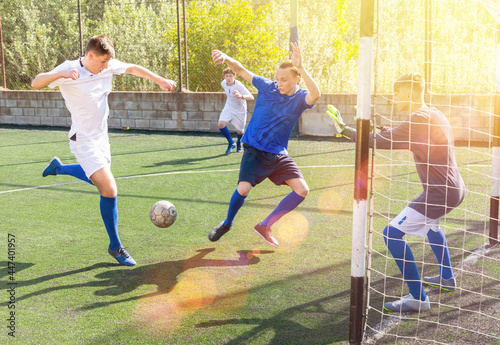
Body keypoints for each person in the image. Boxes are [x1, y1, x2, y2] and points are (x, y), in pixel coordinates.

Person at [31, 34, 176, 266]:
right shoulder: (69, 69)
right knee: (109, 189)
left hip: (101, 139)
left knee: (100, 182)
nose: (106, 67)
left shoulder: (106, 66)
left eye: (108, 63)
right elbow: (36, 82)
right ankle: (115, 246)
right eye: (102, 62)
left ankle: (59, 168)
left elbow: (133, 69)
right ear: (90, 56)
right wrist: (61, 74)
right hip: (83, 141)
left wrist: (159, 80)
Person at [328, 72, 465, 312]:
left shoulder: (417, 120)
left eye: (397, 93)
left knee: (391, 234)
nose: (394, 98)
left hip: (439, 193)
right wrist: (388, 129)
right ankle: (447, 278)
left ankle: (418, 298)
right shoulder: (433, 113)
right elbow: (409, 136)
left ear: (409, 93)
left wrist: (344, 130)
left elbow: (377, 141)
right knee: (433, 227)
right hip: (455, 189)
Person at [208, 42, 321, 248]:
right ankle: (227, 223)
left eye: (284, 80)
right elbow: (241, 69)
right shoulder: (267, 87)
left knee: (302, 190)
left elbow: (316, 94)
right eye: (277, 78)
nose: (279, 82)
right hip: (254, 150)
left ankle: (265, 225)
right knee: (243, 189)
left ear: (296, 79)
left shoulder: (299, 98)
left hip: (277, 154)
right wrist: (225, 57)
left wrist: (302, 68)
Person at [218, 67, 254, 154]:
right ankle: (231, 143)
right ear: (224, 77)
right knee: (221, 124)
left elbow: (251, 97)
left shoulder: (239, 85)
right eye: (227, 76)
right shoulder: (223, 83)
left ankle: (238, 143)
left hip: (240, 110)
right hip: (229, 107)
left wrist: (241, 96)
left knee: (240, 131)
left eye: (230, 76)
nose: (228, 78)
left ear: (234, 76)